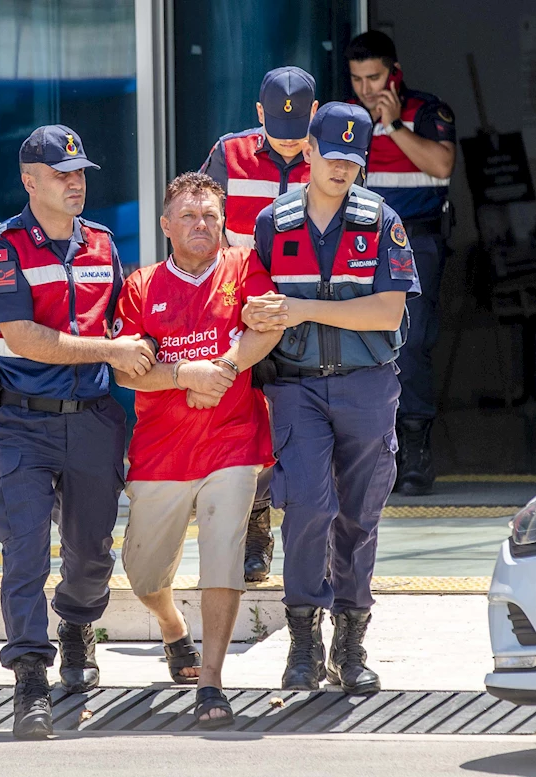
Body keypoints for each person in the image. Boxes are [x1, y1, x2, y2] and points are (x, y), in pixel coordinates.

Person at [0, 125, 156, 739]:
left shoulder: (103, 244)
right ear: (31, 181)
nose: (75, 183)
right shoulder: (1, 248)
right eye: (61, 174)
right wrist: (110, 347)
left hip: (94, 421)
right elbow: (24, 339)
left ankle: (76, 623)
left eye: (80, 173)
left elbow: (132, 328)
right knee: (24, 552)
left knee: (90, 555)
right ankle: (30, 677)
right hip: (20, 422)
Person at [244, 102, 420, 694]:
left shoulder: (381, 221)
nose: (342, 168)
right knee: (308, 511)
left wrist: (306, 309)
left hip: (366, 385)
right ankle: (302, 642)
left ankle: (351, 643)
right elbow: (257, 302)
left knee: (358, 517)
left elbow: (388, 309)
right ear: (309, 152)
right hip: (295, 388)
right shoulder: (274, 222)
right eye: (332, 155)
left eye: (353, 158)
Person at [113, 172, 282, 728]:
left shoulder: (244, 265)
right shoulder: (140, 286)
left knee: (223, 552)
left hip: (232, 441)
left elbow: (268, 327)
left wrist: (228, 368)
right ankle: (170, 626)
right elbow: (131, 372)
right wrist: (186, 374)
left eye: (210, 214)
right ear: (166, 226)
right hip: (160, 451)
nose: (201, 224)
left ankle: (211, 683)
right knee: (142, 574)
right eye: (188, 215)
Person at [200, 66, 317, 582]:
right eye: (277, 135)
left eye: (298, 138)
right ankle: (255, 525)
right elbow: (201, 228)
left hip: (313, 315)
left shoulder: (330, 155)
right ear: (258, 115)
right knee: (248, 422)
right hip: (242, 312)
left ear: (314, 115)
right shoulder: (228, 155)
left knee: (307, 423)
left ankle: (313, 540)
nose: (289, 148)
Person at [346, 30, 456, 496]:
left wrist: (392, 127)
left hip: (414, 241)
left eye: (374, 77)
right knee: (355, 344)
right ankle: (370, 454)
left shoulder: (428, 111)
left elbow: (442, 165)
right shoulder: (346, 119)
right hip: (355, 244)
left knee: (409, 346)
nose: (367, 89)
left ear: (395, 73)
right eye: (357, 80)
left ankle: (415, 452)